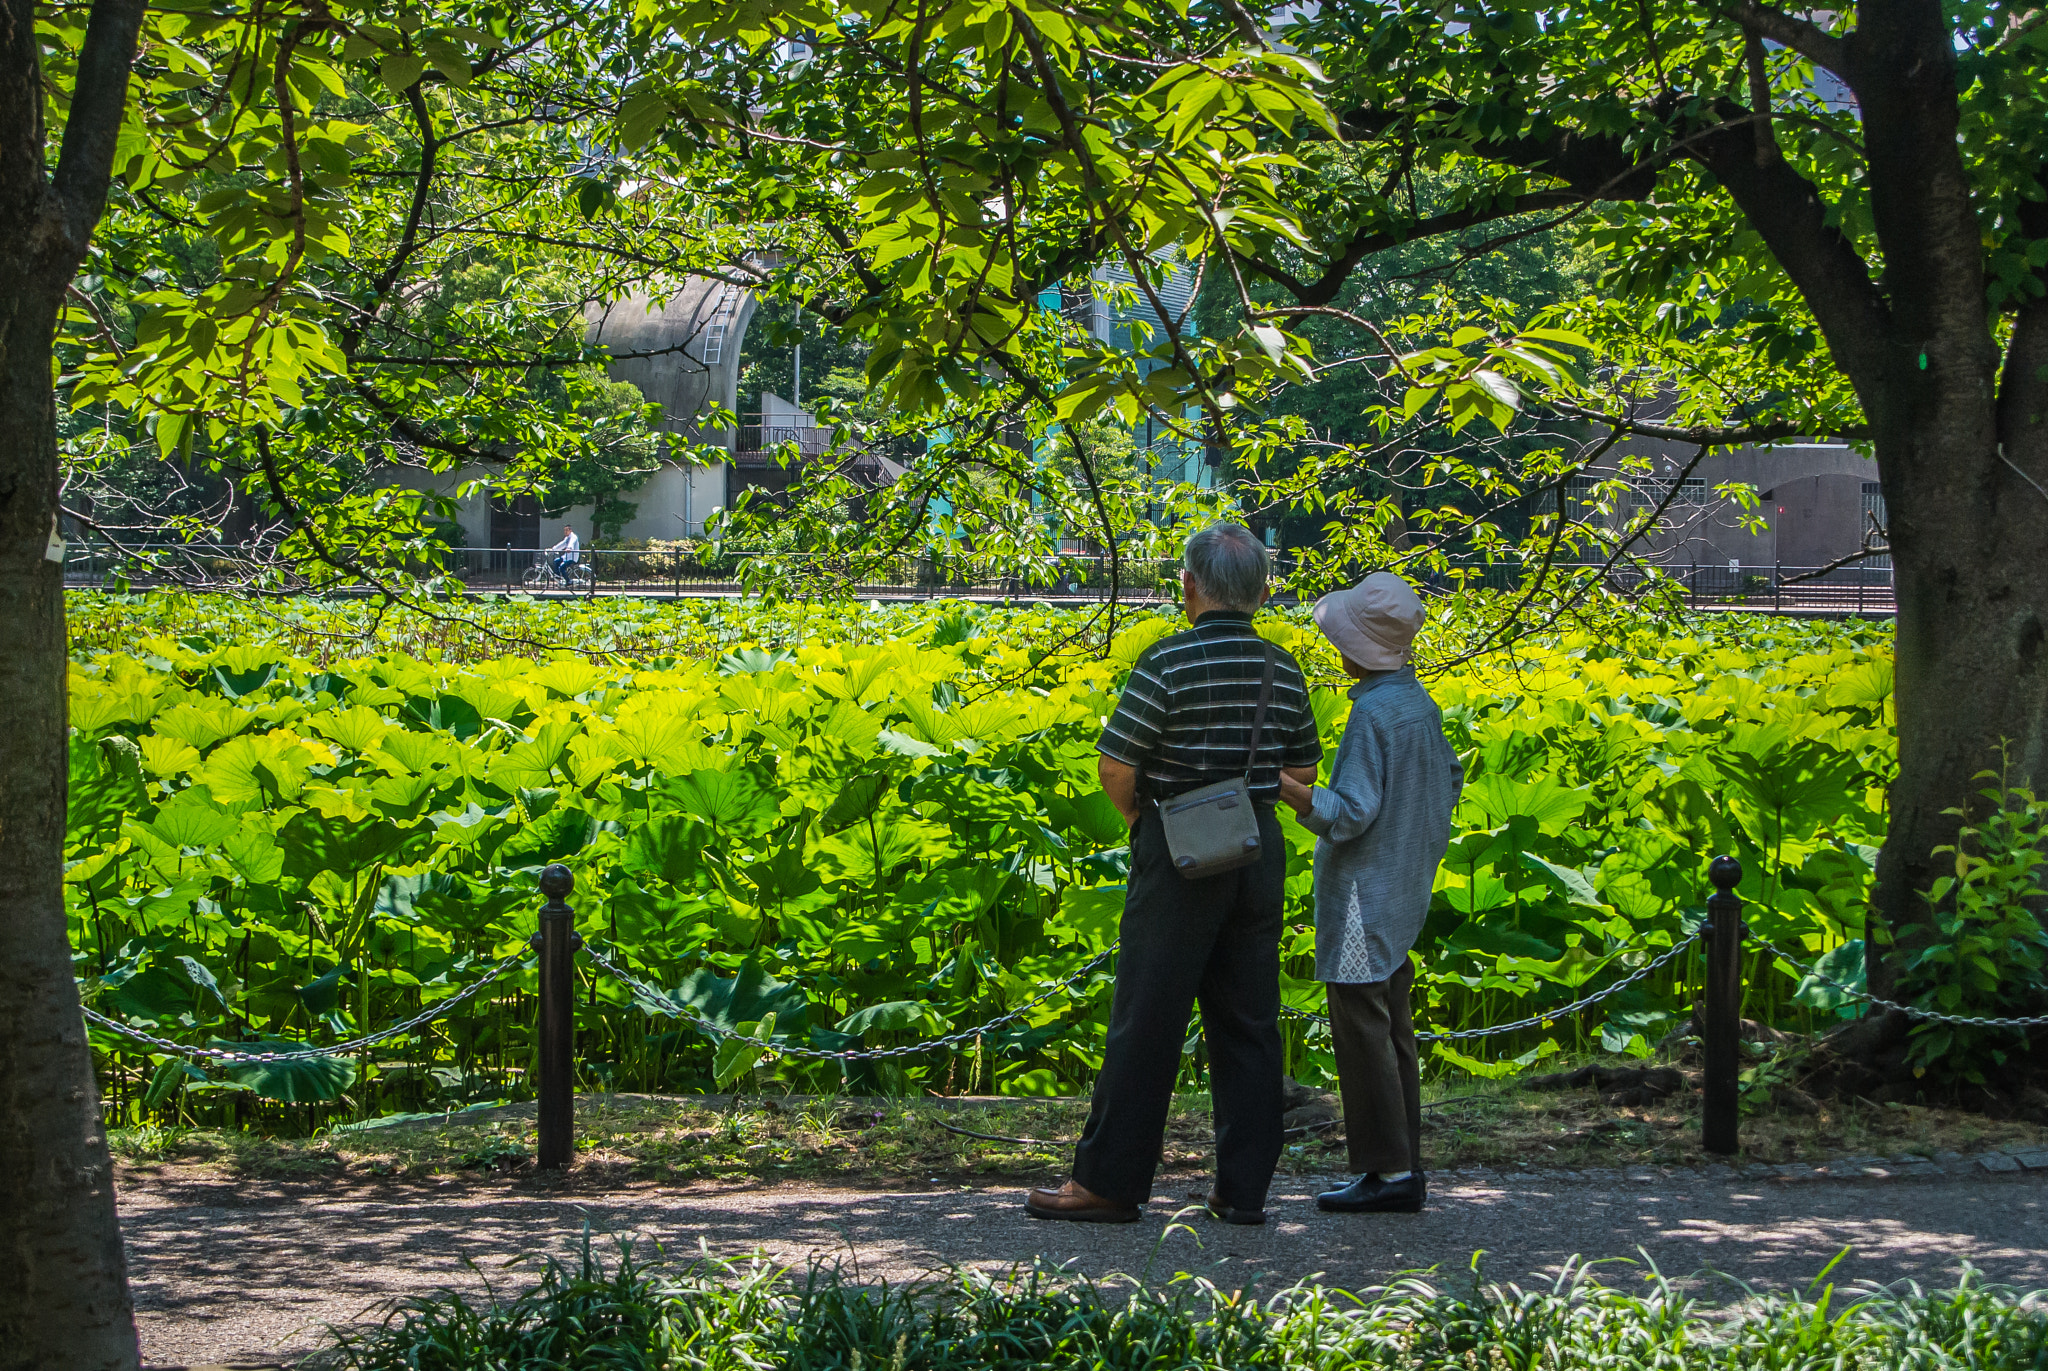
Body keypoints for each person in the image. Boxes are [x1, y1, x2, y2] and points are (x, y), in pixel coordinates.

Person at [1026, 521, 1323, 1226]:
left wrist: (1145, 824)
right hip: (1256, 850)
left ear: (1188, 586)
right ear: (1263, 591)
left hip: (1178, 850)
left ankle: (1110, 1182)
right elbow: (1303, 770)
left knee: (1147, 1018)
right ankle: (1242, 1189)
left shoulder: (1165, 663)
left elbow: (1116, 766)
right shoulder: (1283, 669)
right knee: (1250, 1021)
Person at [1276, 571, 1463, 1215]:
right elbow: (1448, 783)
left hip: (1360, 900)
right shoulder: (1417, 704)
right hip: (1403, 890)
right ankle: (1404, 1164)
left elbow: (1350, 812)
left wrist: (1285, 787)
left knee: (1362, 1034)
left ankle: (1386, 1173)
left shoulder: (1372, 714)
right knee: (1394, 1030)